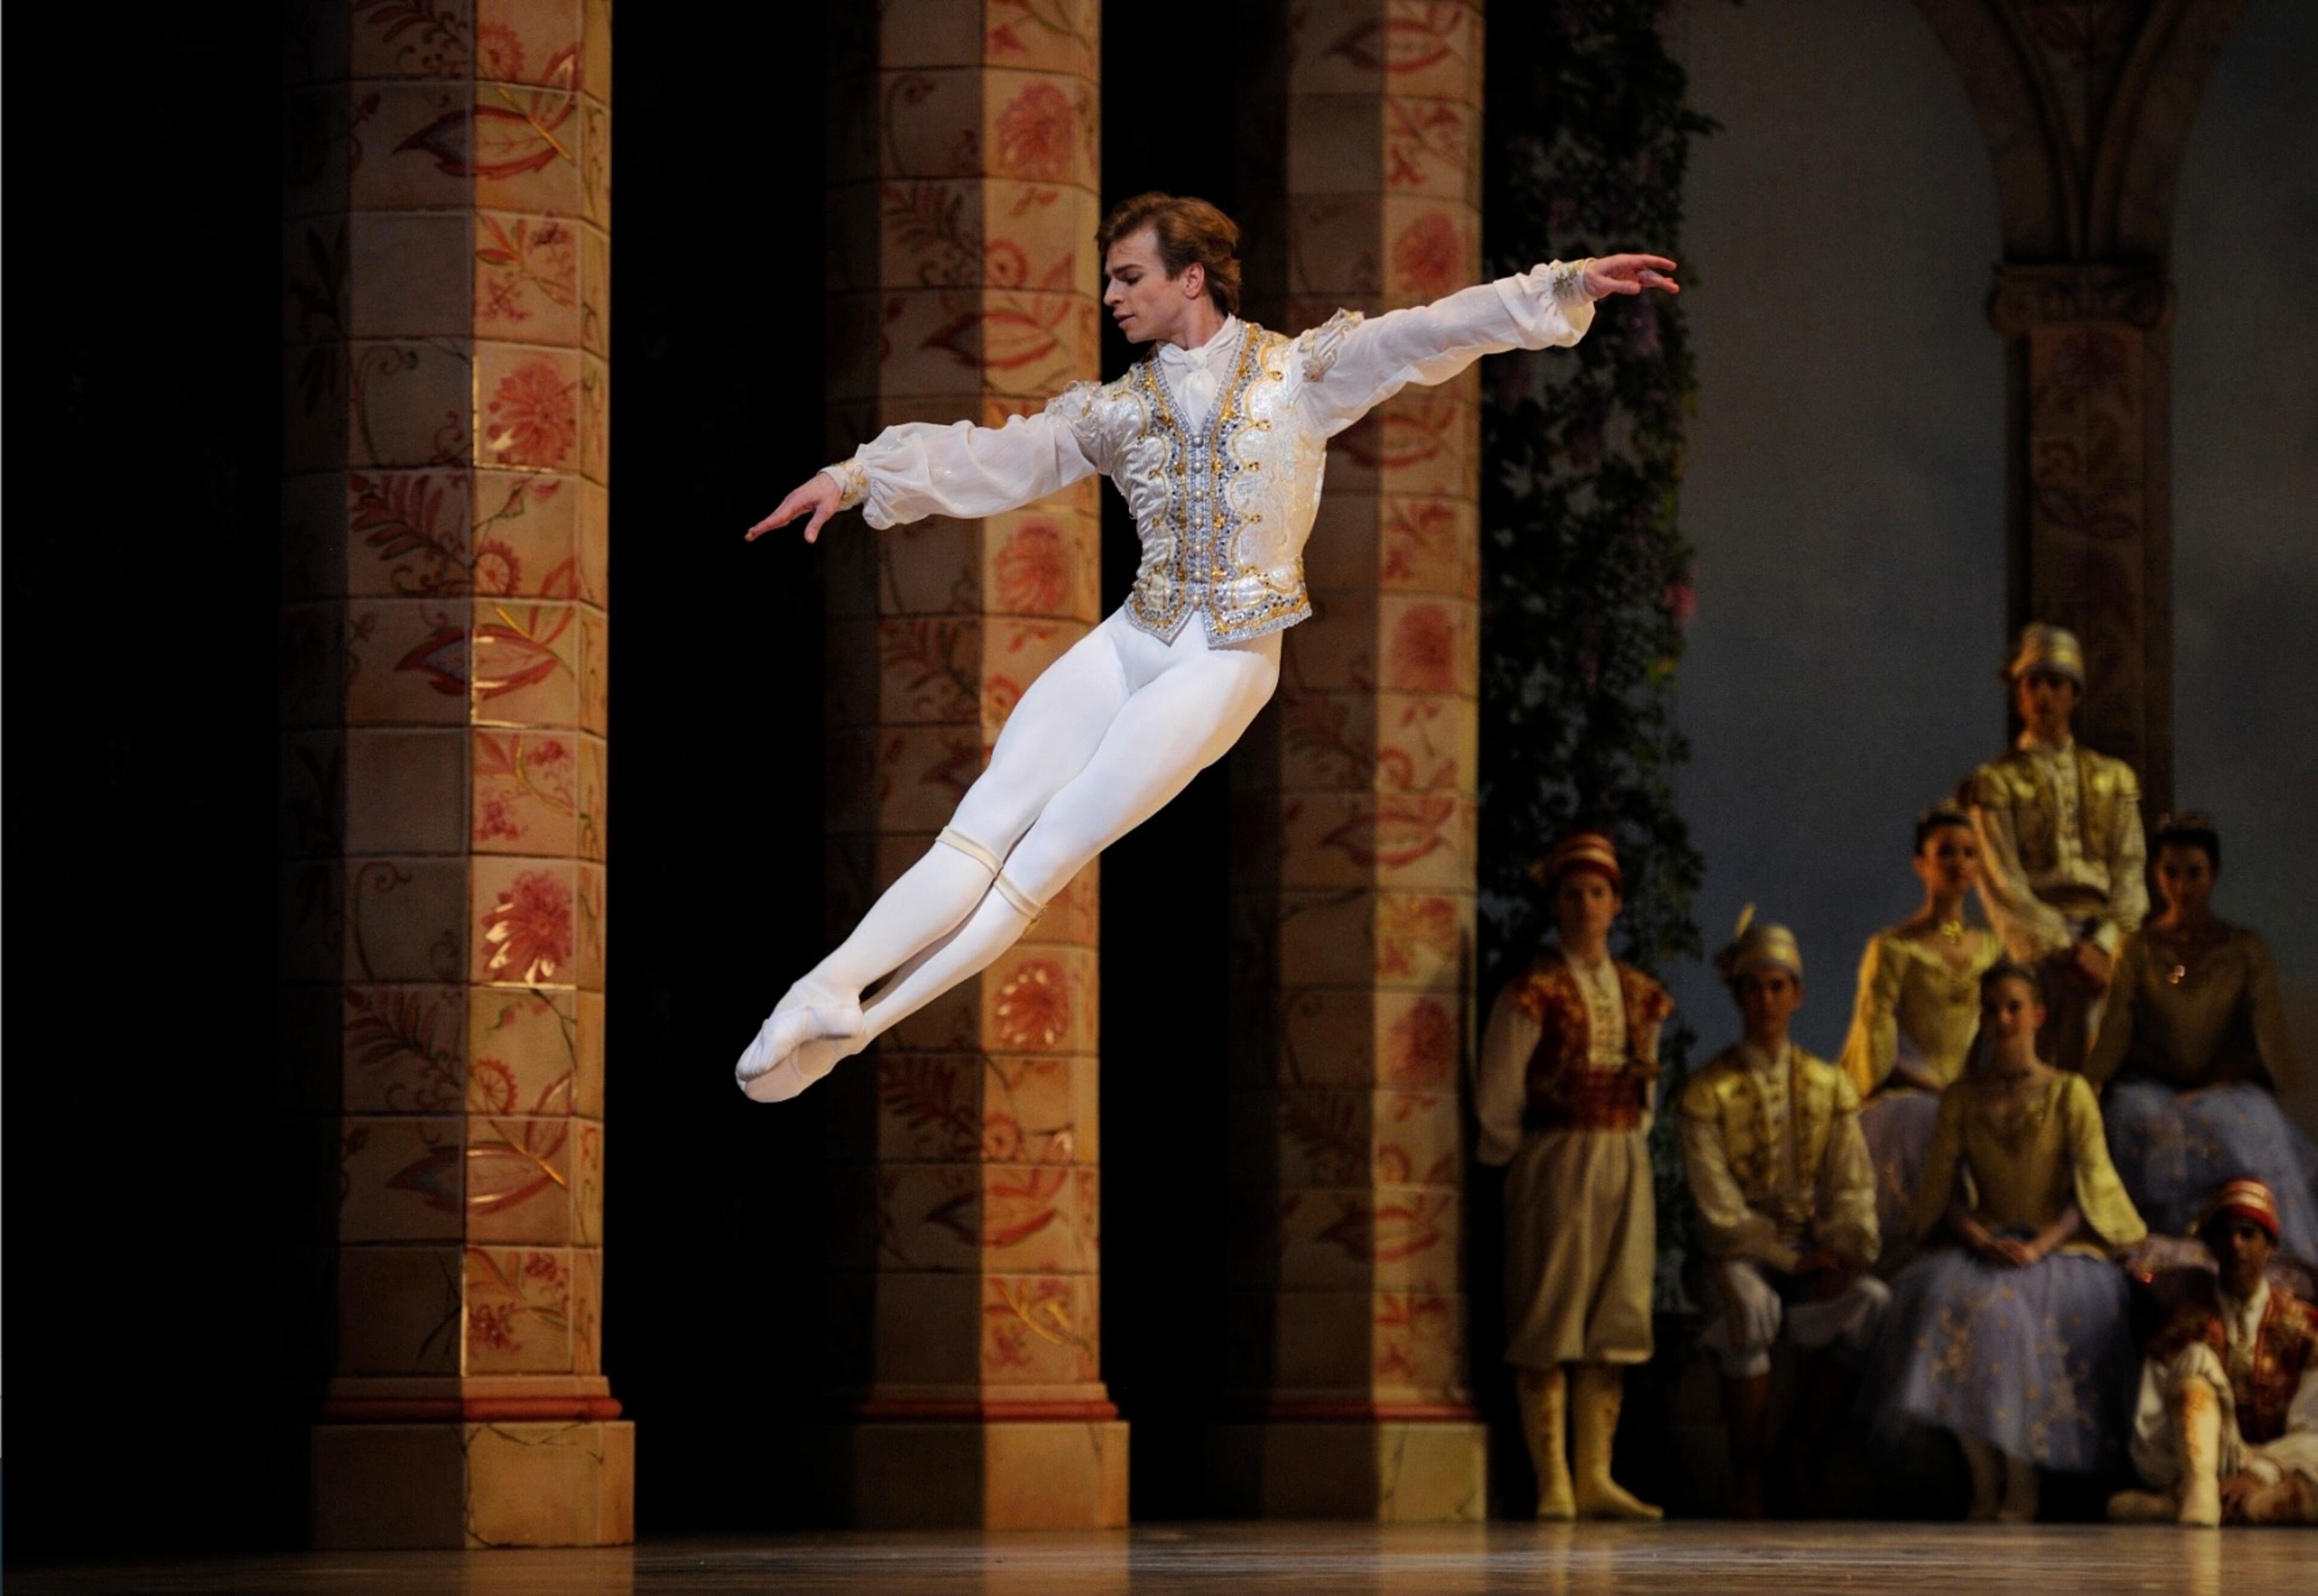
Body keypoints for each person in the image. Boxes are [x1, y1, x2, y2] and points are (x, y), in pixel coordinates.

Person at [733, 193, 1679, 1101]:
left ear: (1192, 279)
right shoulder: (1117, 408)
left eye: (1129, 276)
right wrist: (853, 477)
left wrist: (1564, 287)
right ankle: (823, 991)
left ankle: (874, 1016)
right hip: (1136, 635)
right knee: (984, 819)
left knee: (1050, 845)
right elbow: (997, 455)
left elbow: (1430, 331)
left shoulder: (1302, 371)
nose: (1112, 296)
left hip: (1229, 653)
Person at [1866, 962, 2148, 1522]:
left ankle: (2022, 1481)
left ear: (2038, 1015)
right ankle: (1983, 1478)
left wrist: (2038, 1248)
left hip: (2054, 1251)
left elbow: (2086, 1188)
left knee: (2007, 1311)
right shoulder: (1963, 1098)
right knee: (1945, 1301)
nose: (2002, 1019)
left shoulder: (2069, 1092)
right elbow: (1941, 1190)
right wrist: (1977, 1235)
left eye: (2014, 1007)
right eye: (1992, 1009)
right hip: (1987, 1243)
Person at [1475, 832, 1673, 1521]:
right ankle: (1552, 1478)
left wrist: (1630, 1131)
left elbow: (1650, 1089)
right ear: (1556, 903)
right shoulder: (1534, 992)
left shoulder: (1642, 994)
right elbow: (1498, 1091)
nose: (1585, 905)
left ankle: (1596, 1473)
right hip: (1557, 1156)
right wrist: (1512, 1158)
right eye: (1572, 893)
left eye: (1597, 893)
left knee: (1613, 1311)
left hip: (1620, 1156)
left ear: (1616, 903)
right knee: (1550, 1307)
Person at [1680, 911, 1888, 1516]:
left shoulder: (1829, 1086)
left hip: (1808, 1252)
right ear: (1738, 995)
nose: (1766, 999)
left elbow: (1852, 1182)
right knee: (1749, 1302)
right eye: (1754, 987)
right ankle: (1749, 1472)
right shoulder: (1706, 1090)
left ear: (1796, 995)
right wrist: (1790, 1258)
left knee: (1872, 1302)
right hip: (1736, 1256)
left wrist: (1844, 1249)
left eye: (1778, 986)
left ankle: (1799, 1450)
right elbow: (1717, 1211)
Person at [2085, 813, 2316, 1271]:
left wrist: (2214, 1079)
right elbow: (2115, 1034)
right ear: (2156, 875)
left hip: (2223, 1085)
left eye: (2194, 873)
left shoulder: (2245, 948)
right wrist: (2086, 1089)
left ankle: (2258, 1262)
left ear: (2214, 874)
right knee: (2139, 1121)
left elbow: (2267, 1040)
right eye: (2171, 873)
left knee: (2245, 1126)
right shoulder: (2136, 948)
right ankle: (2164, 1267)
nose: (2182, 886)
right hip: (2150, 1086)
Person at [1964, 623, 2148, 1073]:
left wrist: (2103, 946)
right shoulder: (1995, 782)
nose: (2044, 695)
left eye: (2057, 684)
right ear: (2020, 694)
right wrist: (2063, 949)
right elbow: (2001, 881)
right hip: (2035, 941)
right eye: (2033, 683)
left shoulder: (2115, 778)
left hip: (2109, 944)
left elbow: (2130, 872)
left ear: (2075, 695)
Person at [1837, 803, 2005, 1271]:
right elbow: (1879, 1048)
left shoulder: (1992, 949)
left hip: (1972, 1089)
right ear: (1922, 865)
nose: (1958, 863)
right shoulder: (1893, 947)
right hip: (1910, 1098)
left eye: (1969, 853)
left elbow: (1997, 1034)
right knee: (1931, 1123)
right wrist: (1949, 1093)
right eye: (1945, 852)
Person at [2110, 1179, 2318, 1526]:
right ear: (2212, 1245)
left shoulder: (2304, 1330)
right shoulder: (2182, 1328)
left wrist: (2261, 1470)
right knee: (2196, 1358)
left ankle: (2200, 1505)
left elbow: (2314, 1428)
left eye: (2248, 1234)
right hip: (2197, 1464)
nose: (2236, 1246)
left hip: (2276, 1468)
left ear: (2269, 1246)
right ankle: (2201, 1491)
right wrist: (2200, 1467)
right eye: (2226, 1235)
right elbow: (2148, 1439)